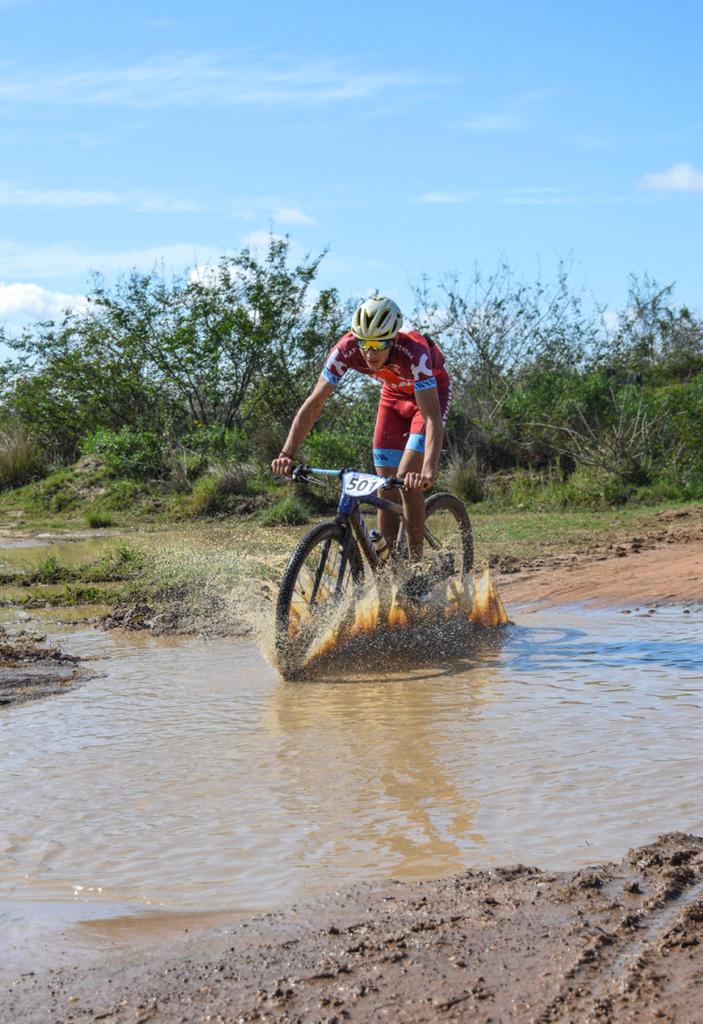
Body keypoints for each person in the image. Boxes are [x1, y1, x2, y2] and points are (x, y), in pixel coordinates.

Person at [271, 295, 451, 565]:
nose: (369, 352)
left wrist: (427, 470)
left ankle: (416, 570)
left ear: (393, 339)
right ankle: (390, 567)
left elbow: (431, 418)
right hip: (392, 398)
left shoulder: (414, 352)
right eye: (364, 343)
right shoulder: (345, 350)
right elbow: (315, 402)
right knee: (385, 484)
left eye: (378, 344)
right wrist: (287, 453)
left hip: (426, 401)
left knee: (405, 480)